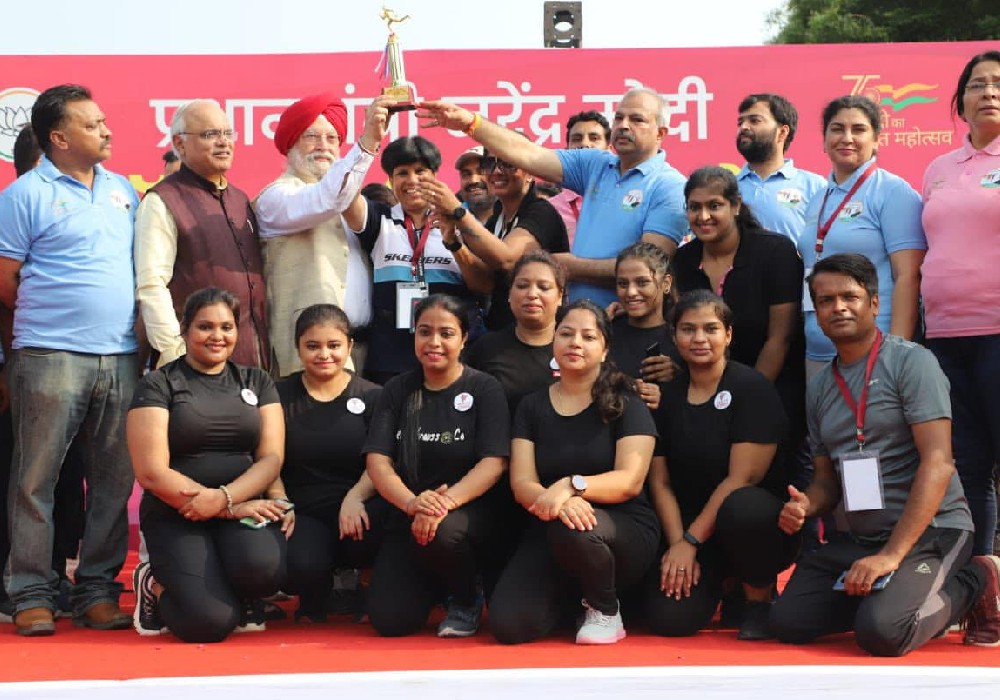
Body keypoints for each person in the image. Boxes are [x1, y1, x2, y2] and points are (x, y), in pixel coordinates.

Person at [770, 253, 1000, 655]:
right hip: (861, 538)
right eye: (825, 301)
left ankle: (978, 575)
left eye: (850, 297)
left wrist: (893, 555)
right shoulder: (820, 386)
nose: (838, 307)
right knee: (790, 621)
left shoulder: (912, 362)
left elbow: (939, 463)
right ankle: (897, 595)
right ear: (816, 313)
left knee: (883, 633)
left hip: (933, 532)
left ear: (874, 303)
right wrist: (808, 505)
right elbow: (827, 480)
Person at [0, 84, 140, 636]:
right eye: (92, 124)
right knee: (35, 480)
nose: (106, 130)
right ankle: (31, 591)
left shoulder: (123, 190)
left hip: (122, 356)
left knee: (112, 480)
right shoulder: (24, 195)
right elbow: (5, 282)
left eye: (104, 121)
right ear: (58, 138)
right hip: (49, 355)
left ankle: (98, 590)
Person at [417, 88, 688, 306]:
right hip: (579, 324)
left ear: (660, 133)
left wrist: (570, 266)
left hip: (629, 321)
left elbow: (650, 270)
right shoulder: (596, 165)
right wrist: (470, 123)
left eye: (637, 119)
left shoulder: (669, 185)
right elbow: (529, 154)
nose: (623, 126)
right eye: (619, 118)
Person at [489, 299, 659, 645]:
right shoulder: (532, 405)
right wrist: (556, 502)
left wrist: (570, 486)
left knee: (578, 531)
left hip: (621, 528)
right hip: (552, 521)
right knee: (509, 625)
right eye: (566, 334)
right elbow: (522, 483)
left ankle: (605, 610)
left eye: (588, 337)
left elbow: (630, 481)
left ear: (605, 348)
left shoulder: (628, 402)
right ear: (554, 340)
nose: (575, 343)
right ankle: (572, 600)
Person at [129, 288, 288, 643]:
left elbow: (271, 459)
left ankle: (238, 591)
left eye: (227, 327)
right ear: (184, 330)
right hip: (178, 512)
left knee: (267, 569)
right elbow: (151, 472)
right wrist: (226, 507)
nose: (218, 336)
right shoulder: (158, 384)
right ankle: (154, 584)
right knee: (210, 622)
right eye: (205, 326)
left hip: (240, 504)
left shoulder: (257, 381)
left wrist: (225, 501)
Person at [643, 290, 798, 641]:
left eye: (710, 329)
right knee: (670, 621)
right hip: (692, 529)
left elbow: (742, 478)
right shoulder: (668, 395)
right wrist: (678, 545)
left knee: (743, 505)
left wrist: (691, 539)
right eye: (688, 329)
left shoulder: (751, 388)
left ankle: (758, 600)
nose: (699, 338)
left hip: (755, 527)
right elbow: (661, 481)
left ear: (728, 335)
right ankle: (723, 585)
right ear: (674, 336)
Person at [363, 295, 510, 638]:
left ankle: (465, 597)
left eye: (446, 333)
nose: (434, 343)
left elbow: (494, 462)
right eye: (424, 332)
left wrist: (446, 503)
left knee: (446, 532)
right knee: (390, 621)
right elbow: (378, 461)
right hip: (410, 512)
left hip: (469, 513)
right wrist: (412, 503)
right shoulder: (398, 389)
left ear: (464, 338)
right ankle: (434, 584)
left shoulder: (484, 388)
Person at [673, 166, 805, 487]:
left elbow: (780, 337)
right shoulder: (682, 261)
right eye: (694, 207)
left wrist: (743, 399)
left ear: (735, 205)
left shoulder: (775, 252)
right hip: (705, 394)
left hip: (770, 388)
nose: (703, 216)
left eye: (714, 206)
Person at [920, 51, 1000, 556]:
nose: (989, 92)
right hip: (944, 337)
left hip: (998, 331)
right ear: (960, 101)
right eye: (978, 84)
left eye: (998, 83)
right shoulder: (938, 168)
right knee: (965, 463)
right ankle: (979, 585)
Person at [254, 94, 394, 377]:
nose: (324, 147)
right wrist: (368, 142)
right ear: (291, 143)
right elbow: (325, 198)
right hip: (309, 356)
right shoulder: (277, 197)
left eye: (332, 138)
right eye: (312, 136)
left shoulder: (349, 202)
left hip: (365, 351)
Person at [342, 136, 490, 385]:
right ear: (391, 179)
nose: (412, 181)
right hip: (390, 361)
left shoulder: (463, 221)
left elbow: (484, 285)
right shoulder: (380, 220)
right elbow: (344, 193)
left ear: (435, 175)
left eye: (420, 171)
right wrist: (371, 138)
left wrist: (454, 243)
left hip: (449, 358)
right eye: (402, 173)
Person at [135, 99, 270, 371]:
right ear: (180, 143)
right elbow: (152, 286)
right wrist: (176, 354)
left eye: (227, 133)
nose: (223, 142)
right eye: (210, 134)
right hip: (195, 368)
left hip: (253, 365)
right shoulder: (163, 201)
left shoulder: (240, 200)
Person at [275, 304, 387, 622]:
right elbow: (268, 458)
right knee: (300, 563)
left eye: (334, 346)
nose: (324, 354)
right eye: (313, 346)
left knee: (384, 525)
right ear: (298, 348)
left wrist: (356, 497)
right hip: (303, 510)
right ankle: (316, 592)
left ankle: (365, 586)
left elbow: (381, 459)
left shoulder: (373, 396)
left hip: (359, 505)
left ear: (349, 346)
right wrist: (280, 501)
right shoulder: (279, 396)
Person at [798, 95, 925, 374]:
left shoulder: (893, 192)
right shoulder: (817, 198)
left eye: (858, 129)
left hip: (874, 351)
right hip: (818, 352)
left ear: (877, 139)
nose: (847, 137)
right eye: (837, 129)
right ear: (823, 139)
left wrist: (896, 351)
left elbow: (908, 276)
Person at [421, 143, 568, 331]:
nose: (497, 171)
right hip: (502, 333)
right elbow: (485, 284)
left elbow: (506, 258)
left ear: (530, 172)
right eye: (490, 164)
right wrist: (454, 244)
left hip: (538, 339)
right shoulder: (496, 219)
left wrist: (458, 211)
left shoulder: (541, 211)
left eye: (508, 164)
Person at [464, 250, 564, 417]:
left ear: (560, 296)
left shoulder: (575, 348)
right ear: (509, 294)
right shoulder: (486, 348)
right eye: (522, 286)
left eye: (544, 287)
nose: (532, 294)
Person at [734, 93, 825, 244]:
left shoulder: (814, 187)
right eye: (740, 122)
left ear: (782, 132)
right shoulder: (727, 188)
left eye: (754, 120)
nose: (744, 127)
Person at [611, 242, 679, 385]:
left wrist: (679, 376)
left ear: (666, 283)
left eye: (642, 283)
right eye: (623, 284)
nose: (631, 292)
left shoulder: (680, 338)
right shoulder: (606, 333)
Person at [548, 111, 611, 247]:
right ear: (566, 151)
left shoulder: (622, 200)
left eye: (594, 138)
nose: (585, 144)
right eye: (577, 139)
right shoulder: (550, 208)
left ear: (609, 149)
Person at [454, 146, 495, 224]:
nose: (474, 180)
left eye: (481, 172)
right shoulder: (450, 218)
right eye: (466, 174)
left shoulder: (516, 216)